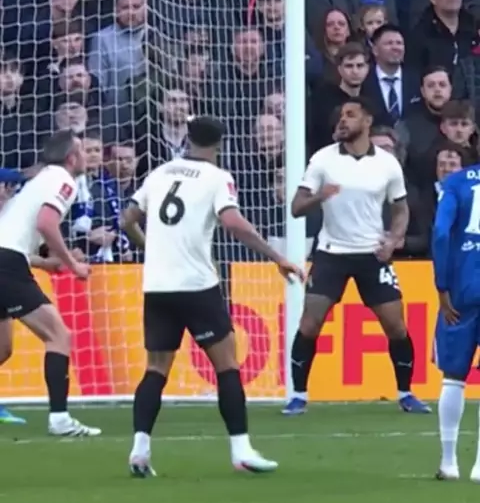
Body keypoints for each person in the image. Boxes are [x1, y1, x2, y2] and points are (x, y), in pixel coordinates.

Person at [121, 115, 305, 477]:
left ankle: (139, 451)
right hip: (196, 286)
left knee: (156, 369)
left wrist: (151, 248)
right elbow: (233, 222)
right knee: (227, 365)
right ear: (220, 144)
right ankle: (241, 450)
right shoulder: (217, 177)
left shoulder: (158, 173)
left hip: (157, 285)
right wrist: (277, 256)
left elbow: (128, 219)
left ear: (187, 138)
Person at [282, 97, 431, 416]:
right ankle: (298, 396)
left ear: (367, 121)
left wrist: (393, 239)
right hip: (331, 253)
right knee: (310, 323)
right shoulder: (323, 159)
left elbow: (401, 209)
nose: (343, 120)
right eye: (341, 115)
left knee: (396, 325)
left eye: (350, 115)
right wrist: (320, 196)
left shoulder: (387, 163)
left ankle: (406, 393)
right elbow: (296, 207)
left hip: (372, 255)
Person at [0, 130, 100, 436]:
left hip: (7, 259)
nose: (87, 156)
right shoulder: (63, 180)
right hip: (7, 264)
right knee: (59, 336)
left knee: (2, 349)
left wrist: (48, 261)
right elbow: (46, 223)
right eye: (82, 150)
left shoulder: (40, 180)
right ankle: (60, 419)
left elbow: (19, 236)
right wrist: (72, 264)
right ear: (71, 158)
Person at [431, 160, 480, 481]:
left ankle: (449, 462)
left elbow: (440, 233)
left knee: (453, 377)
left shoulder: (457, 182)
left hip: (462, 289)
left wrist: (442, 286)